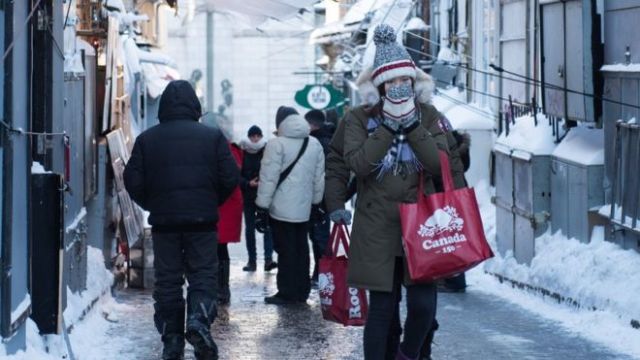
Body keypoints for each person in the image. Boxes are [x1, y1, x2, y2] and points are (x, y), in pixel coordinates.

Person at [340, 24, 450, 360]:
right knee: (382, 310)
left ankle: (406, 354)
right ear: (380, 86)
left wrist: (413, 125)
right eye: (392, 82)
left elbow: (438, 165)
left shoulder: (429, 116)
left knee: (422, 306)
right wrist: (388, 126)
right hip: (378, 227)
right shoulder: (360, 119)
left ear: (414, 82)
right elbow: (358, 165)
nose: (400, 87)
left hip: (422, 225)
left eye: (406, 80)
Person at [124, 80, 239, 360]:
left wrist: (153, 204)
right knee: (202, 276)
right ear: (194, 107)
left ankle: (172, 338)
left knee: (168, 281)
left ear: (163, 106)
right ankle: (198, 322)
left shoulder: (147, 139)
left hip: (165, 223)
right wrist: (211, 202)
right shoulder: (212, 138)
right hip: (202, 222)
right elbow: (230, 178)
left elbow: (132, 180)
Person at [255, 106, 325, 305]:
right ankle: (302, 291)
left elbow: (268, 179)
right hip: (304, 209)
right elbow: (319, 178)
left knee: (285, 250)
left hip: (281, 209)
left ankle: (286, 292)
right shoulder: (314, 143)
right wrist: (316, 203)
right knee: (302, 248)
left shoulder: (275, 144)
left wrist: (262, 207)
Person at [239, 125, 277, 272]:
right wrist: (248, 183)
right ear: (248, 137)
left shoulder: (267, 150)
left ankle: (268, 260)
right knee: (250, 229)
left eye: (257, 136)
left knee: (267, 227)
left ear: (261, 137)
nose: (255, 139)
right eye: (252, 136)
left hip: (264, 195)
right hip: (248, 196)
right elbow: (237, 174)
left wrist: (263, 182)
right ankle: (252, 261)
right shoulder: (242, 152)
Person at [304, 110, 333, 286]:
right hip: (323, 197)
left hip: (320, 198)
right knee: (318, 237)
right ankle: (320, 273)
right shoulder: (327, 139)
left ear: (312, 125)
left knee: (319, 238)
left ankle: (323, 275)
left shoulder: (318, 143)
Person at [216, 140, 243, 305]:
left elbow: (230, 177)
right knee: (219, 247)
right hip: (224, 204)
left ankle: (221, 289)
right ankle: (221, 289)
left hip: (222, 205)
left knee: (218, 247)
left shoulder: (226, 150)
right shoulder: (229, 149)